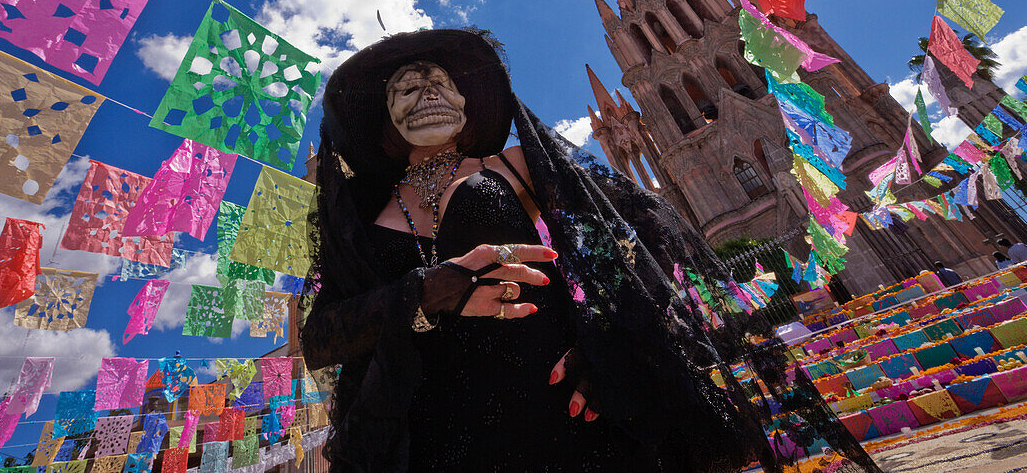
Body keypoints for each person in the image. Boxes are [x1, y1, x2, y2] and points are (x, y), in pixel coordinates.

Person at [300, 29, 878, 472]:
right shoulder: (359, 218)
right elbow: (321, 337)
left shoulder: (529, 169)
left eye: (438, 82)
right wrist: (422, 294)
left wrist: (614, 352)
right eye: (406, 88)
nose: (426, 94)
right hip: (432, 434)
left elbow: (645, 259)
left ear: (466, 102)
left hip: (560, 412)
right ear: (383, 120)